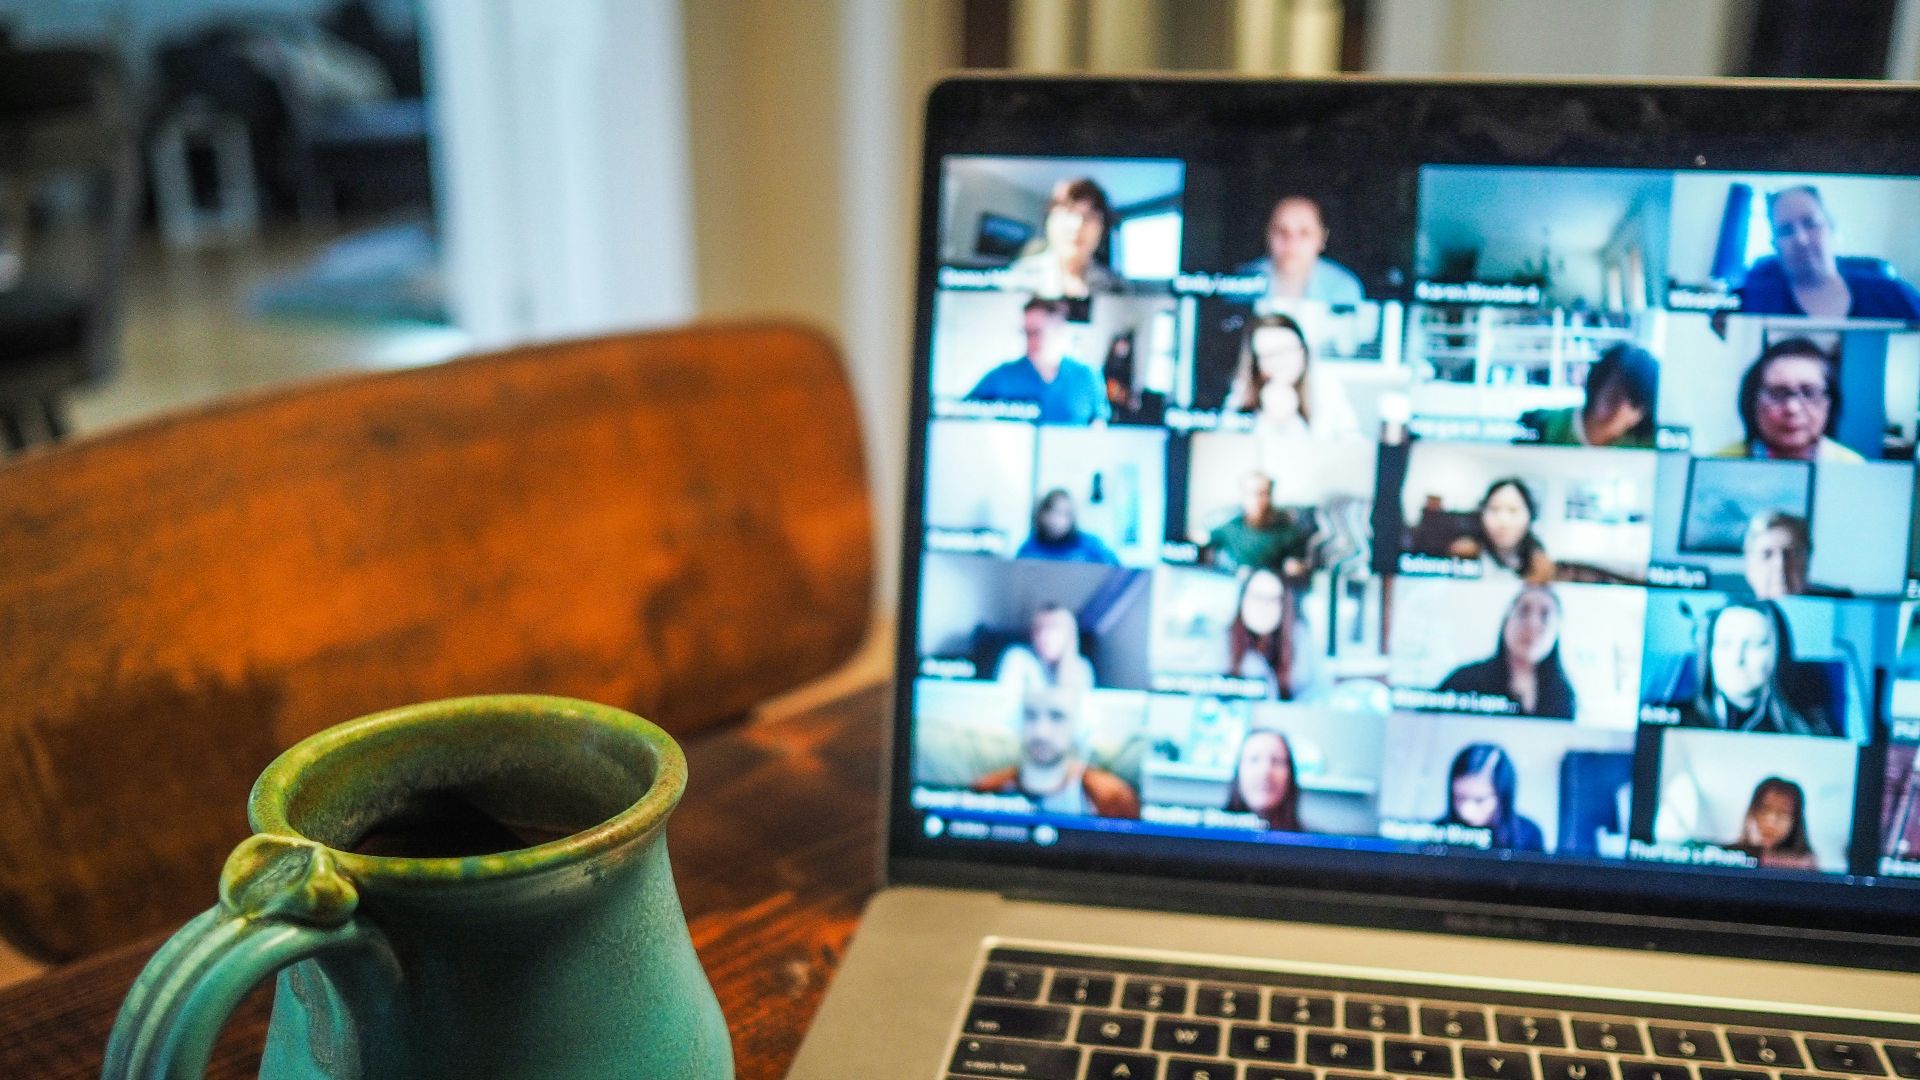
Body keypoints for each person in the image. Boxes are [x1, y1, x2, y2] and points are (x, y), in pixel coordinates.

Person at [1735, 185, 1920, 319]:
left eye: (1810, 223)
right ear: (1774, 244)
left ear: (1831, 229)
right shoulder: (1752, 303)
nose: (1801, 239)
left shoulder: (1893, 294)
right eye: (1785, 230)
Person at [971, 681, 1139, 818]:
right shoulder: (987, 789)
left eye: (1057, 716)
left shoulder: (1112, 797)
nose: (1041, 732)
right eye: (1030, 715)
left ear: (1079, 725)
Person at [1681, 601, 1836, 737]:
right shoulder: (1677, 720)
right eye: (1725, 644)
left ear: (1777, 653)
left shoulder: (1811, 730)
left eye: (1754, 644)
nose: (1737, 659)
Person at [1437, 585, 1577, 720]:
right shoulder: (1463, 681)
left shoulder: (1563, 696)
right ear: (1506, 620)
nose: (1532, 624)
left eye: (1545, 616)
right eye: (1523, 611)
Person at [1712, 338, 1863, 463]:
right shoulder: (1721, 463)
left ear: (1829, 403)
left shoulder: (1852, 467)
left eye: (1809, 393)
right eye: (1778, 393)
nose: (1792, 408)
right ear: (1752, 401)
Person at [967, 297, 1110, 424]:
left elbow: (1098, 428)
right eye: (1025, 333)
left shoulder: (1087, 376)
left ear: (1059, 330)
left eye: (1036, 332)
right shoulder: (1002, 376)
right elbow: (962, 415)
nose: (1029, 340)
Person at [1517, 343, 1659, 448]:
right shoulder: (1542, 425)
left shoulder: (1645, 447)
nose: (1619, 406)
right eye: (1615, 391)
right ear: (1597, 382)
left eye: (1633, 401)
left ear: (1642, 414)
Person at [1002, 177, 1122, 299]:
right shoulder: (1016, 279)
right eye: (1068, 213)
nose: (1077, 226)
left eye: (1089, 216)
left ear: (1103, 229)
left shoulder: (1116, 287)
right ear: (1049, 221)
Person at [1236, 196, 1365, 307]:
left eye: (1304, 233)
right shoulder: (1240, 282)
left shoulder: (1343, 287)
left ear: (1322, 238)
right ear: (1268, 235)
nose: (1291, 242)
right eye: (1281, 231)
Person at [1436, 743, 1545, 853]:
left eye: (1479, 800)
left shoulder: (1528, 834)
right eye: (1459, 797)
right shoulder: (1436, 831)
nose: (1466, 810)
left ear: (1502, 797)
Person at [1204, 472, 1313, 577]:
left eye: (1265, 493)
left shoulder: (1288, 533)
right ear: (1243, 496)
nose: (1258, 500)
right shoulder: (1230, 528)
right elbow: (1202, 538)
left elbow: (1298, 563)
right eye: (1253, 493)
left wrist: (1295, 567)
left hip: (1270, 588)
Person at [1446, 478, 1554, 583]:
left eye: (1513, 510)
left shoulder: (1539, 563)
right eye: (1494, 509)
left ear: (1530, 515)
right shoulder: (1464, 552)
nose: (1503, 520)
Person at [996, 603, 1095, 696]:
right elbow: (1006, 702)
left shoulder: (1081, 667)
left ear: (1069, 634)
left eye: (1053, 627)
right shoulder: (1018, 658)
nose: (1043, 636)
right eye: (1038, 628)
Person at [1228, 568, 1297, 699]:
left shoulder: (1299, 645)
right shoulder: (1220, 645)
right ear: (1243, 600)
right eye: (1257, 597)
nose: (1264, 606)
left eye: (1273, 599)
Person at [1729, 777, 1818, 871]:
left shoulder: (1805, 865)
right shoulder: (1726, 857)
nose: (1770, 823)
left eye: (1783, 813)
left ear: (1795, 822)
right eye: (1764, 810)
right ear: (1751, 812)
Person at [1224, 728, 1304, 832]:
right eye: (1254, 759)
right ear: (1238, 771)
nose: (1265, 771)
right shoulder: (1208, 833)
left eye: (1277, 760)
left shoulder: (1316, 843)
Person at [1016, 489, 1119, 565]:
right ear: (1042, 515)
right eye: (1053, 512)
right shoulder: (1029, 548)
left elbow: (1118, 570)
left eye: (1065, 514)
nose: (1057, 520)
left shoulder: (1092, 545)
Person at [1742, 511, 1812, 599]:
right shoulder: (1730, 612)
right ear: (1749, 567)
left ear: (1807, 561)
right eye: (1767, 555)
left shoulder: (1832, 609)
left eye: (1793, 554)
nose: (1780, 564)